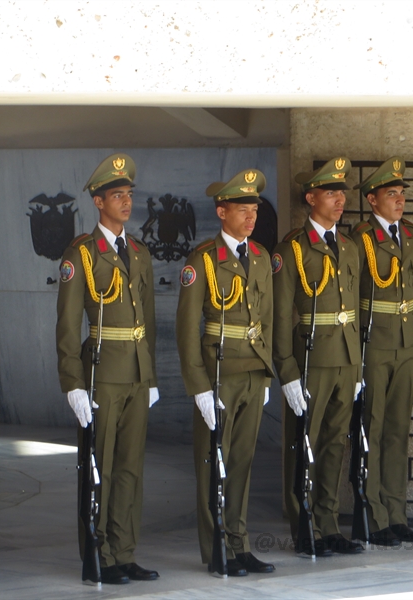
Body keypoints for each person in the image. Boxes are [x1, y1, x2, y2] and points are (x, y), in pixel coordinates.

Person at [56, 153, 160, 585]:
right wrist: (72, 383)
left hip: (135, 372)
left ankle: (123, 550)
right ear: (98, 202)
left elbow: (148, 320)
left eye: (129, 195)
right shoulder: (81, 252)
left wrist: (150, 374)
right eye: (117, 195)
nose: (126, 202)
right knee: (98, 466)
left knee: (130, 468)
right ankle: (96, 553)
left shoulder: (137, 251)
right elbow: (66, 324)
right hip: (100, 372)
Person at [175, 169, 276, 577]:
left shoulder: (262, 257)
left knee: (242, 462)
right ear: (222, 212)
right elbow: (186, 330)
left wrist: (267, 374)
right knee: (212, 461)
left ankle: (240, 542)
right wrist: (198, 386)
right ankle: (216, 546)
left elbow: (265, 320)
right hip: (218, 374)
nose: (251, 217)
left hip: (253, 371)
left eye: (254, 210)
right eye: (243, 210)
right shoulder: (202, 260)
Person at [271, 157, 364, 556]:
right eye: (331, 192)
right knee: (302, 444)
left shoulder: (348, 246)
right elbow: (278, 314)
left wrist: (357, 364)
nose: (340, 200)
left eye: (342, 192)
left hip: (345, 359)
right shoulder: (291, 248)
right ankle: (303, 526)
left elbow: (354, 310)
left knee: (334, 443)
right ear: (311, 198)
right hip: (310, 358)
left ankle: (328, 525)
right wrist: (287, 370)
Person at [352, 157, 413, 546]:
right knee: (373, 429)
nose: (399, 201)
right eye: (391, 194)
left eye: (401, 194)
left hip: (405, 344)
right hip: (374, 345)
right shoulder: (359, 237)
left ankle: (397, 514)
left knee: (399, 431)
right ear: (372, 200)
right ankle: (373, 516)